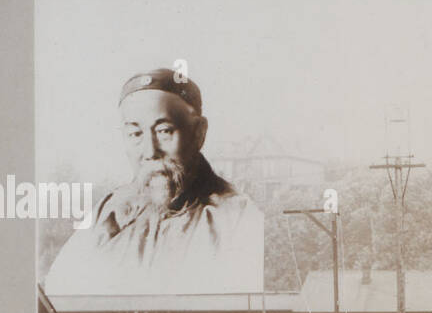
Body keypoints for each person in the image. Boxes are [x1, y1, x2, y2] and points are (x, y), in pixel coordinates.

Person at [44, 69, 266, 296]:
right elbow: (56, 296)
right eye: (135, 134)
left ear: (199, 133)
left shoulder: (237, 217)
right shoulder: (107, 213)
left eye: (164, 131)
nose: (150, 152)